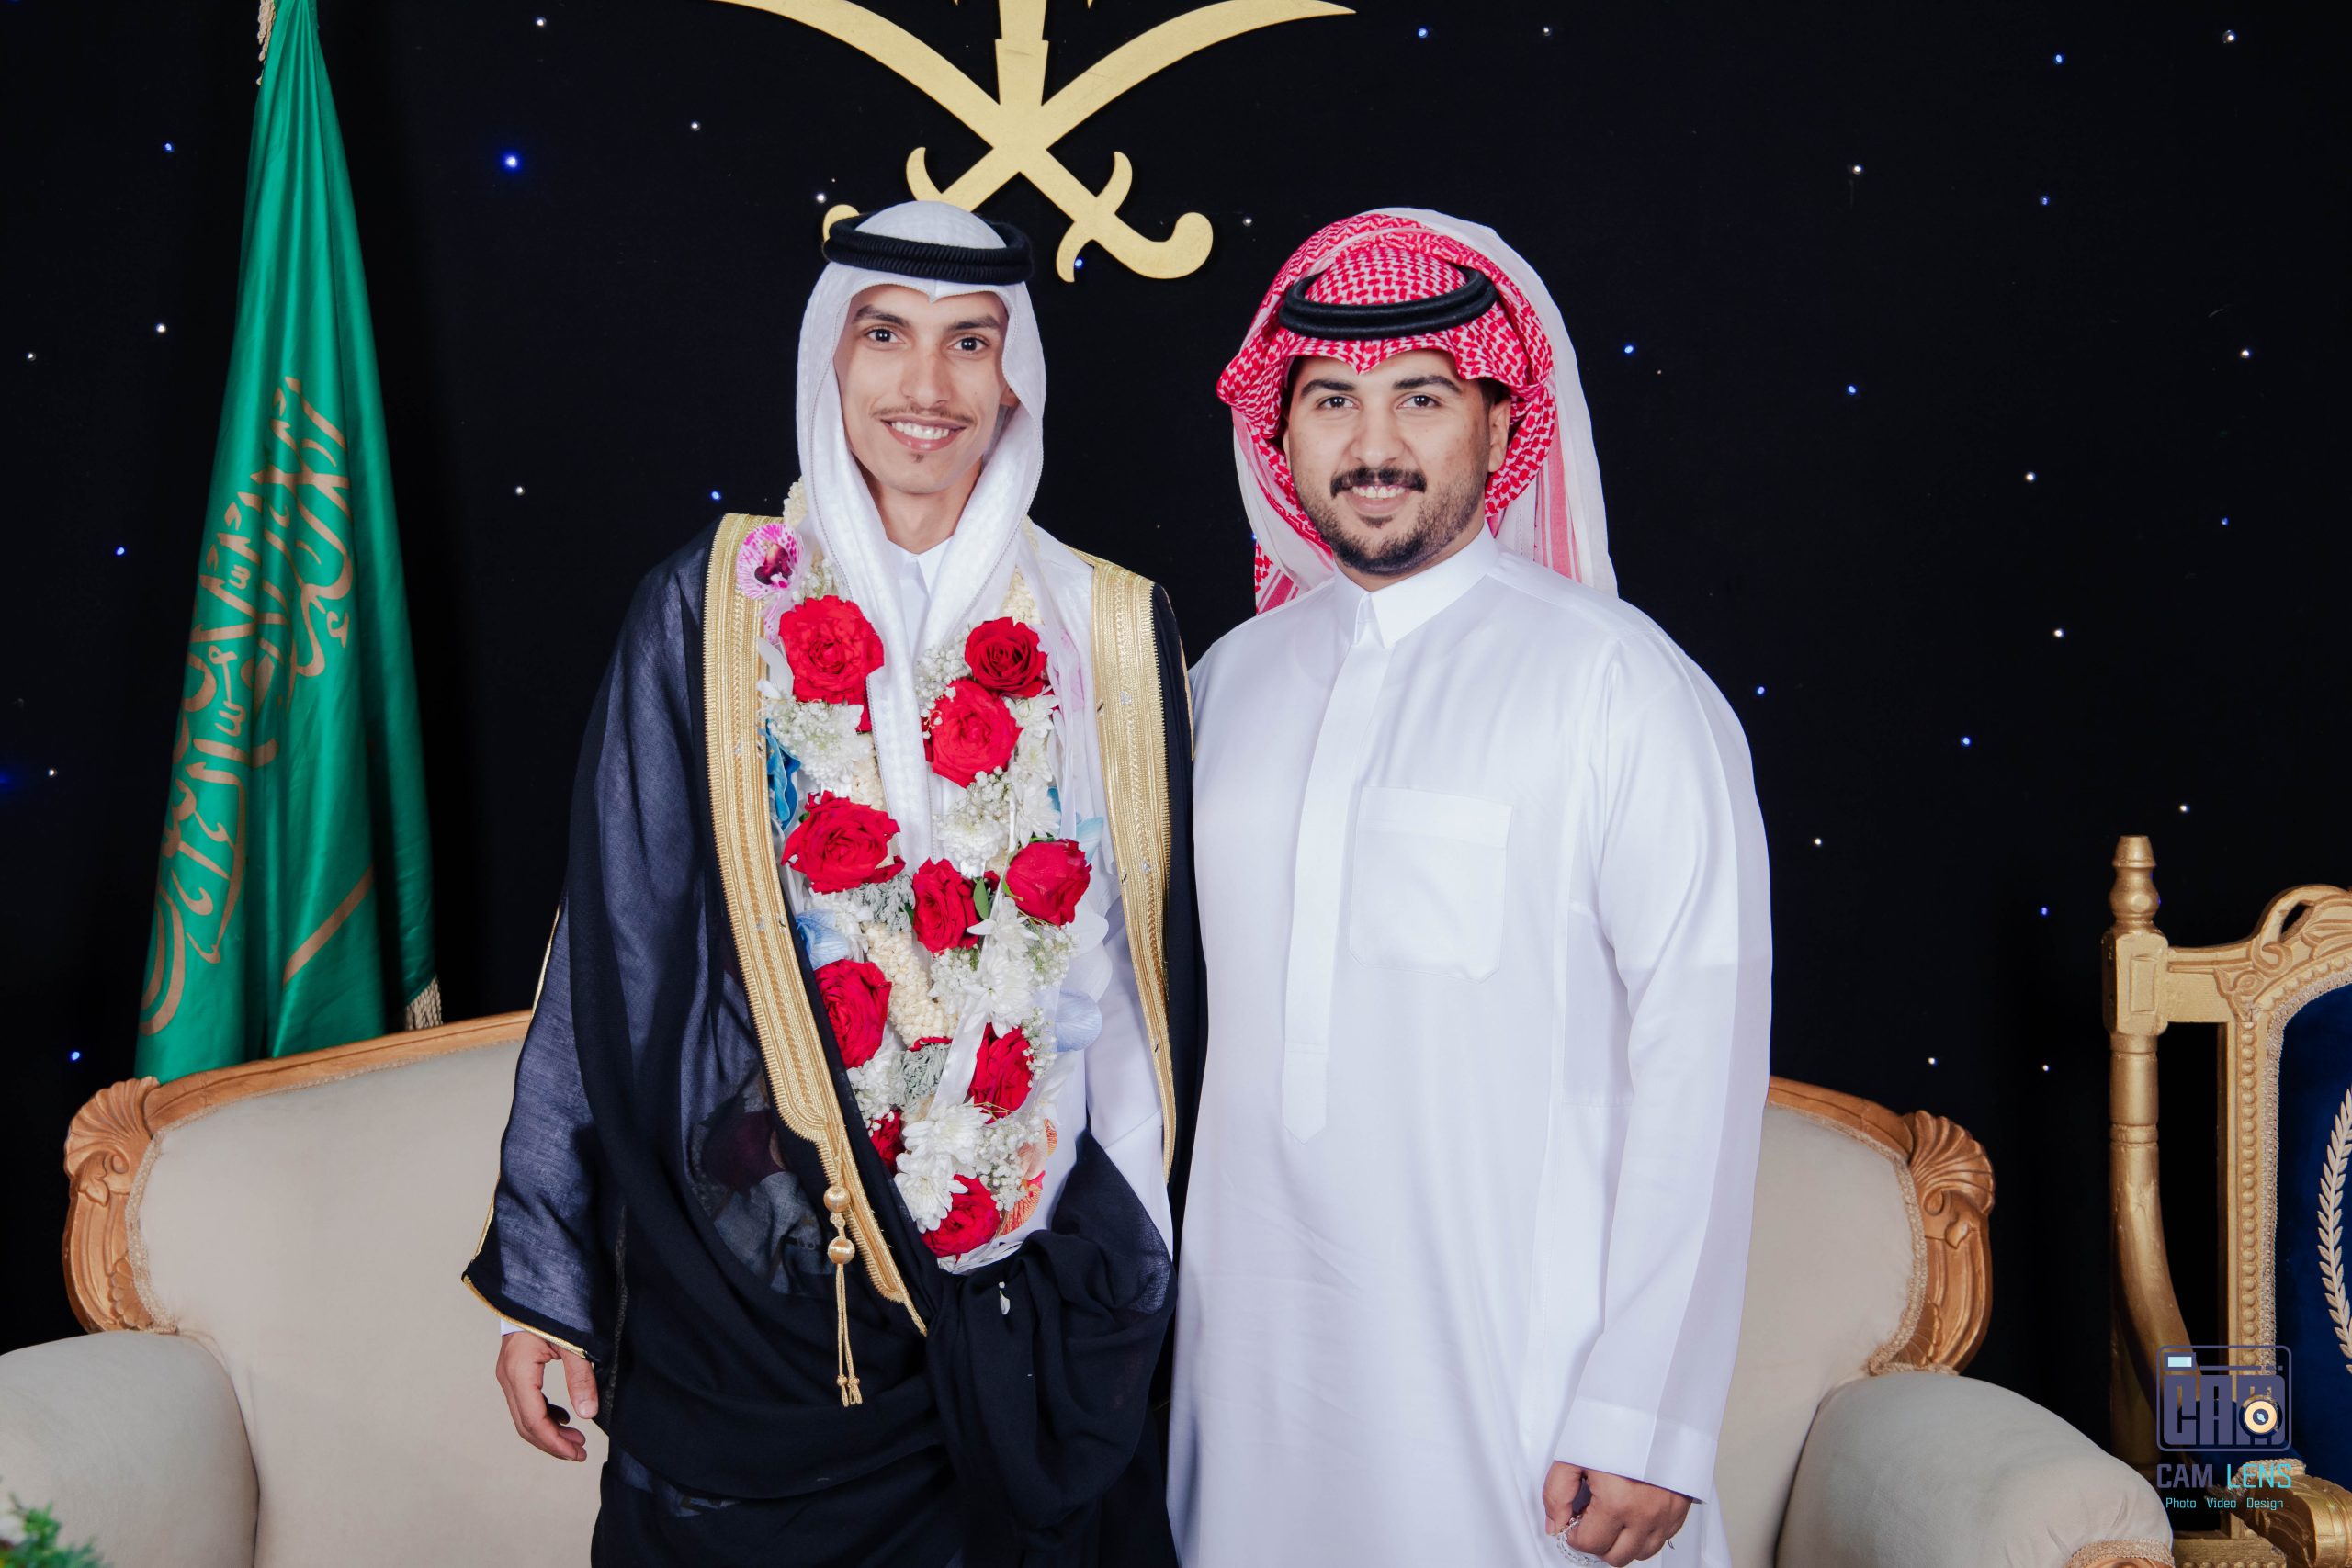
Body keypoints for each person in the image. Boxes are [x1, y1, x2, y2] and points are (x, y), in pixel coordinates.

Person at [465, 200, 1202, 1568]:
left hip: (1028, 1295)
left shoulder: (1102, 622)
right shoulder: (714, 607)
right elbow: (613, 950)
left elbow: (1138, 984)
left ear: (1014, 377)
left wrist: (1133, 1271)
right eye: (886, 335)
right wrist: (550, 1278)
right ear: (831, 360)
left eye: (969, 342)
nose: (927, 385)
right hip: (755, 1296)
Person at [1168, 210, 1771, 1568]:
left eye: (1422, 398)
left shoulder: (1618, 684)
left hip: (1525, 1390)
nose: (1373, 444)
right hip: (1252, 1382)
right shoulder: (1226, 686)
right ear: (1281, 431)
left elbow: (1704, 1055)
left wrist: (1649, 1413)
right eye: (1332, 400)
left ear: (1502, 428)